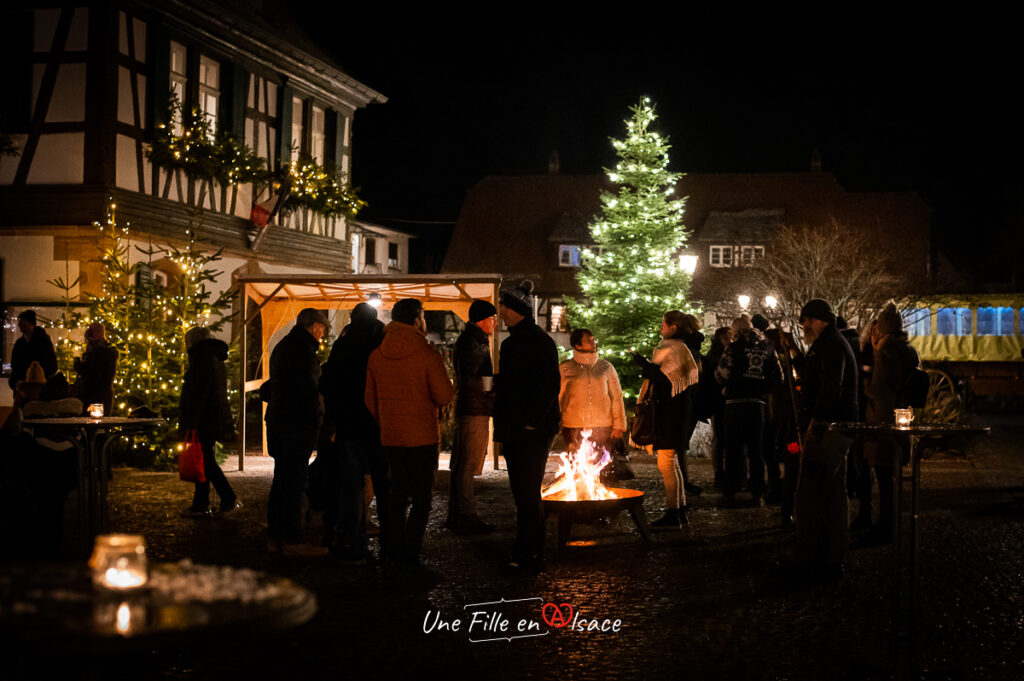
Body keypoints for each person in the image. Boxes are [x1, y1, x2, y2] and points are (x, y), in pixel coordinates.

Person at [365, 298, 454, 575]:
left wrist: (387, 422)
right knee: (422, 498)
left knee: (396, 495)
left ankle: (392, 549)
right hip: (422, 438)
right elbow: (443, 395)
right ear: (416, 320)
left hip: (391, 437)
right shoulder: (427, 354)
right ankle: (410, 552)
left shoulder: (377, 354)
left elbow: (369, 399)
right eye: (424, 317)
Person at [493, 280, 561, 574]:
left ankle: (529, 551)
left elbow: (549, 386)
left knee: (527, 492)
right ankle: (528, 547)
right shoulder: (514, 342)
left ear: (518, 309)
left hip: (530, 430)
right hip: (517, 427)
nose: (501, 311)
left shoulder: (536, 341)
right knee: (523, 492)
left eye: (505, 306)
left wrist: (533, 422)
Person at [795, 299, 858, 580]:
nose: (803, 327)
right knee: (829, 490)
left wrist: (817, 422)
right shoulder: (829, 343)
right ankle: (829, 552)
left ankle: (823, 554)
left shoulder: (831, 345)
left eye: (805, 321)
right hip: (832, 425)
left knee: (818, 490)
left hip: (829, 428)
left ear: (817, 320)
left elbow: (830, 387)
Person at [319, 302, 386, 563]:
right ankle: (391, 541)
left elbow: (328, 383)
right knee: (382, 483)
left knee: (351, 486)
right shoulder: (381, 343)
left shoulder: (343, 345)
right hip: (377, 424)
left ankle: (354, 541)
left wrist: (334, 415)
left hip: (348, 426)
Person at [265, 307, 330, 557]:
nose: (322, 335)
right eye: (322, 330)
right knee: (294, 483)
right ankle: (291, 539)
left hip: (279, 422)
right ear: (315, 327)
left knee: (281, 480)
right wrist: (318, 419)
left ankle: (275, 535)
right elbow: (309, 391)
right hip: (296, 424)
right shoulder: (304, 352)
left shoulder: (284, 346)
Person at [631, 310, 700, 528]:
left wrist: (645, 366)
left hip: (670, 412)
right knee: (673, 463)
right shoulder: (682, 347)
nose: (661, 327)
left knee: (667, 463)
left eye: (664, 324)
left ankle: (673, 513)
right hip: (678, 410)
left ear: (673, 327)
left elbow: (665, 379)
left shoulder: (672, 347)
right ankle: (679, 511)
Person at [861, 303, 920, 545]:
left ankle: (885, 526)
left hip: (883, 417)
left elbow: (878, 389)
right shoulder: (909, 351)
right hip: (902, 416)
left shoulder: (885, 353)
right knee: (893, 475)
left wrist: (864, 381)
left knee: (884, 475)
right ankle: (891, 524)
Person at [715, 316, 782, 506]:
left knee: (734, 449)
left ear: (734, 332)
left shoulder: (733, 348)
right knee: (756, 450)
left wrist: (727, 384)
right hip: (758, 404)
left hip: (735, 403)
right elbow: (779, 376)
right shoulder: (767, 348)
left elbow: (722, 374)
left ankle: (730, 492)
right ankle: (757, 493)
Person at [446, 299, 499, 534]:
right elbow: (471, 379)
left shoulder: (472, 340)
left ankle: (458, 515)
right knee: (467, 465)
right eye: (493, 319)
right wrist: (493, 385)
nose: (496, 323)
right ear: (483, 320)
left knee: (462, 465)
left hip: (471, 408)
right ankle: (465, 516)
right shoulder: (473, 342)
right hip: (474, 409)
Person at [178, 327, 238, 517]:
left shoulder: (201, 358)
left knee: (205, 462)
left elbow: (199, 392)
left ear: (192, 342)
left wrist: (192, 420)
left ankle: (228, 498)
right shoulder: (213, 356)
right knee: (203, 460)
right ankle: (201, 503)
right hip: (212, 416)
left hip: (204, 418)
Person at [558, 328, 626, 453]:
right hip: (573, 425)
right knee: (577, 465)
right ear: (577, 345)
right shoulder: (565, 368)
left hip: (603, 425)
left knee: (600, 465)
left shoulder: (606, 367)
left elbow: (617, 397)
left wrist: (619, 426)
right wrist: (555, 420)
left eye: (593, 339)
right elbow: (559, 396)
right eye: (588, 340)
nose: (593, 342)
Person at [9, 310, 58, 396]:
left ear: (30, 323)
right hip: (21, 388)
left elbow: (52, 364)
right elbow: (15, 364)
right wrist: (15, 382)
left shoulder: (44, 341)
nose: (19, 325)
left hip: (39, 388)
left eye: (22, 322)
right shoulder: (19, 343)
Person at [73, 322, 118, 415]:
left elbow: (93, 376)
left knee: (94, 425)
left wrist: (78, 366)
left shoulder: (98, 353)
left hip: (95, 397)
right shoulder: (104, 351)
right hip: (101, 396)